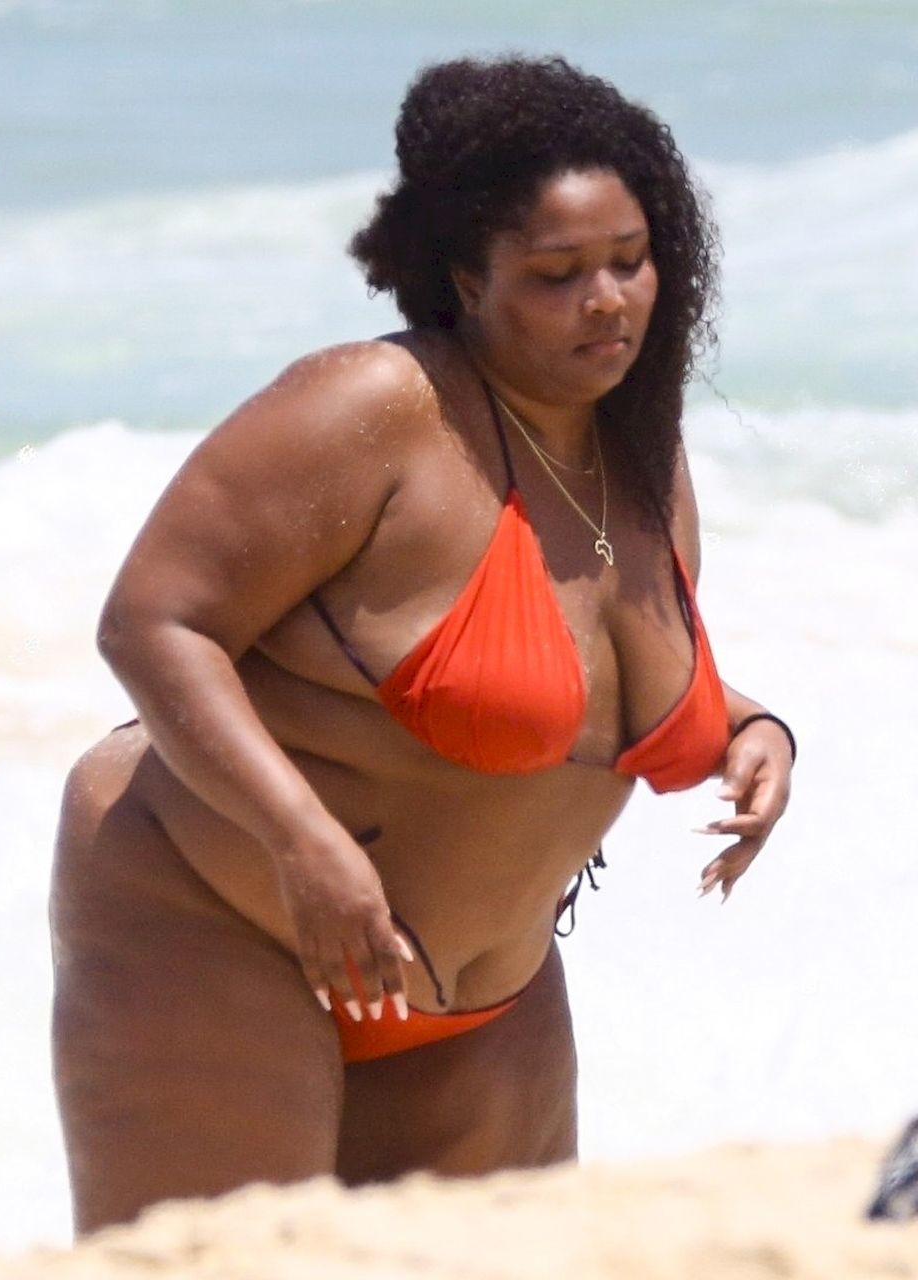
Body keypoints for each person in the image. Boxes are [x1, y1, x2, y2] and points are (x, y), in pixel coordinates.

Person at [50, 54, 795, 1234]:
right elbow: (154, 620)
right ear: (466, 278)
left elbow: (587, 679)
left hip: (488, 990)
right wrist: (304, 845)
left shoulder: (636, 445)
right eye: (558, 274)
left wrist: (749, 727)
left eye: (630, 258)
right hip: (226, 925)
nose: (609, 299)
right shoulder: (376, 409)